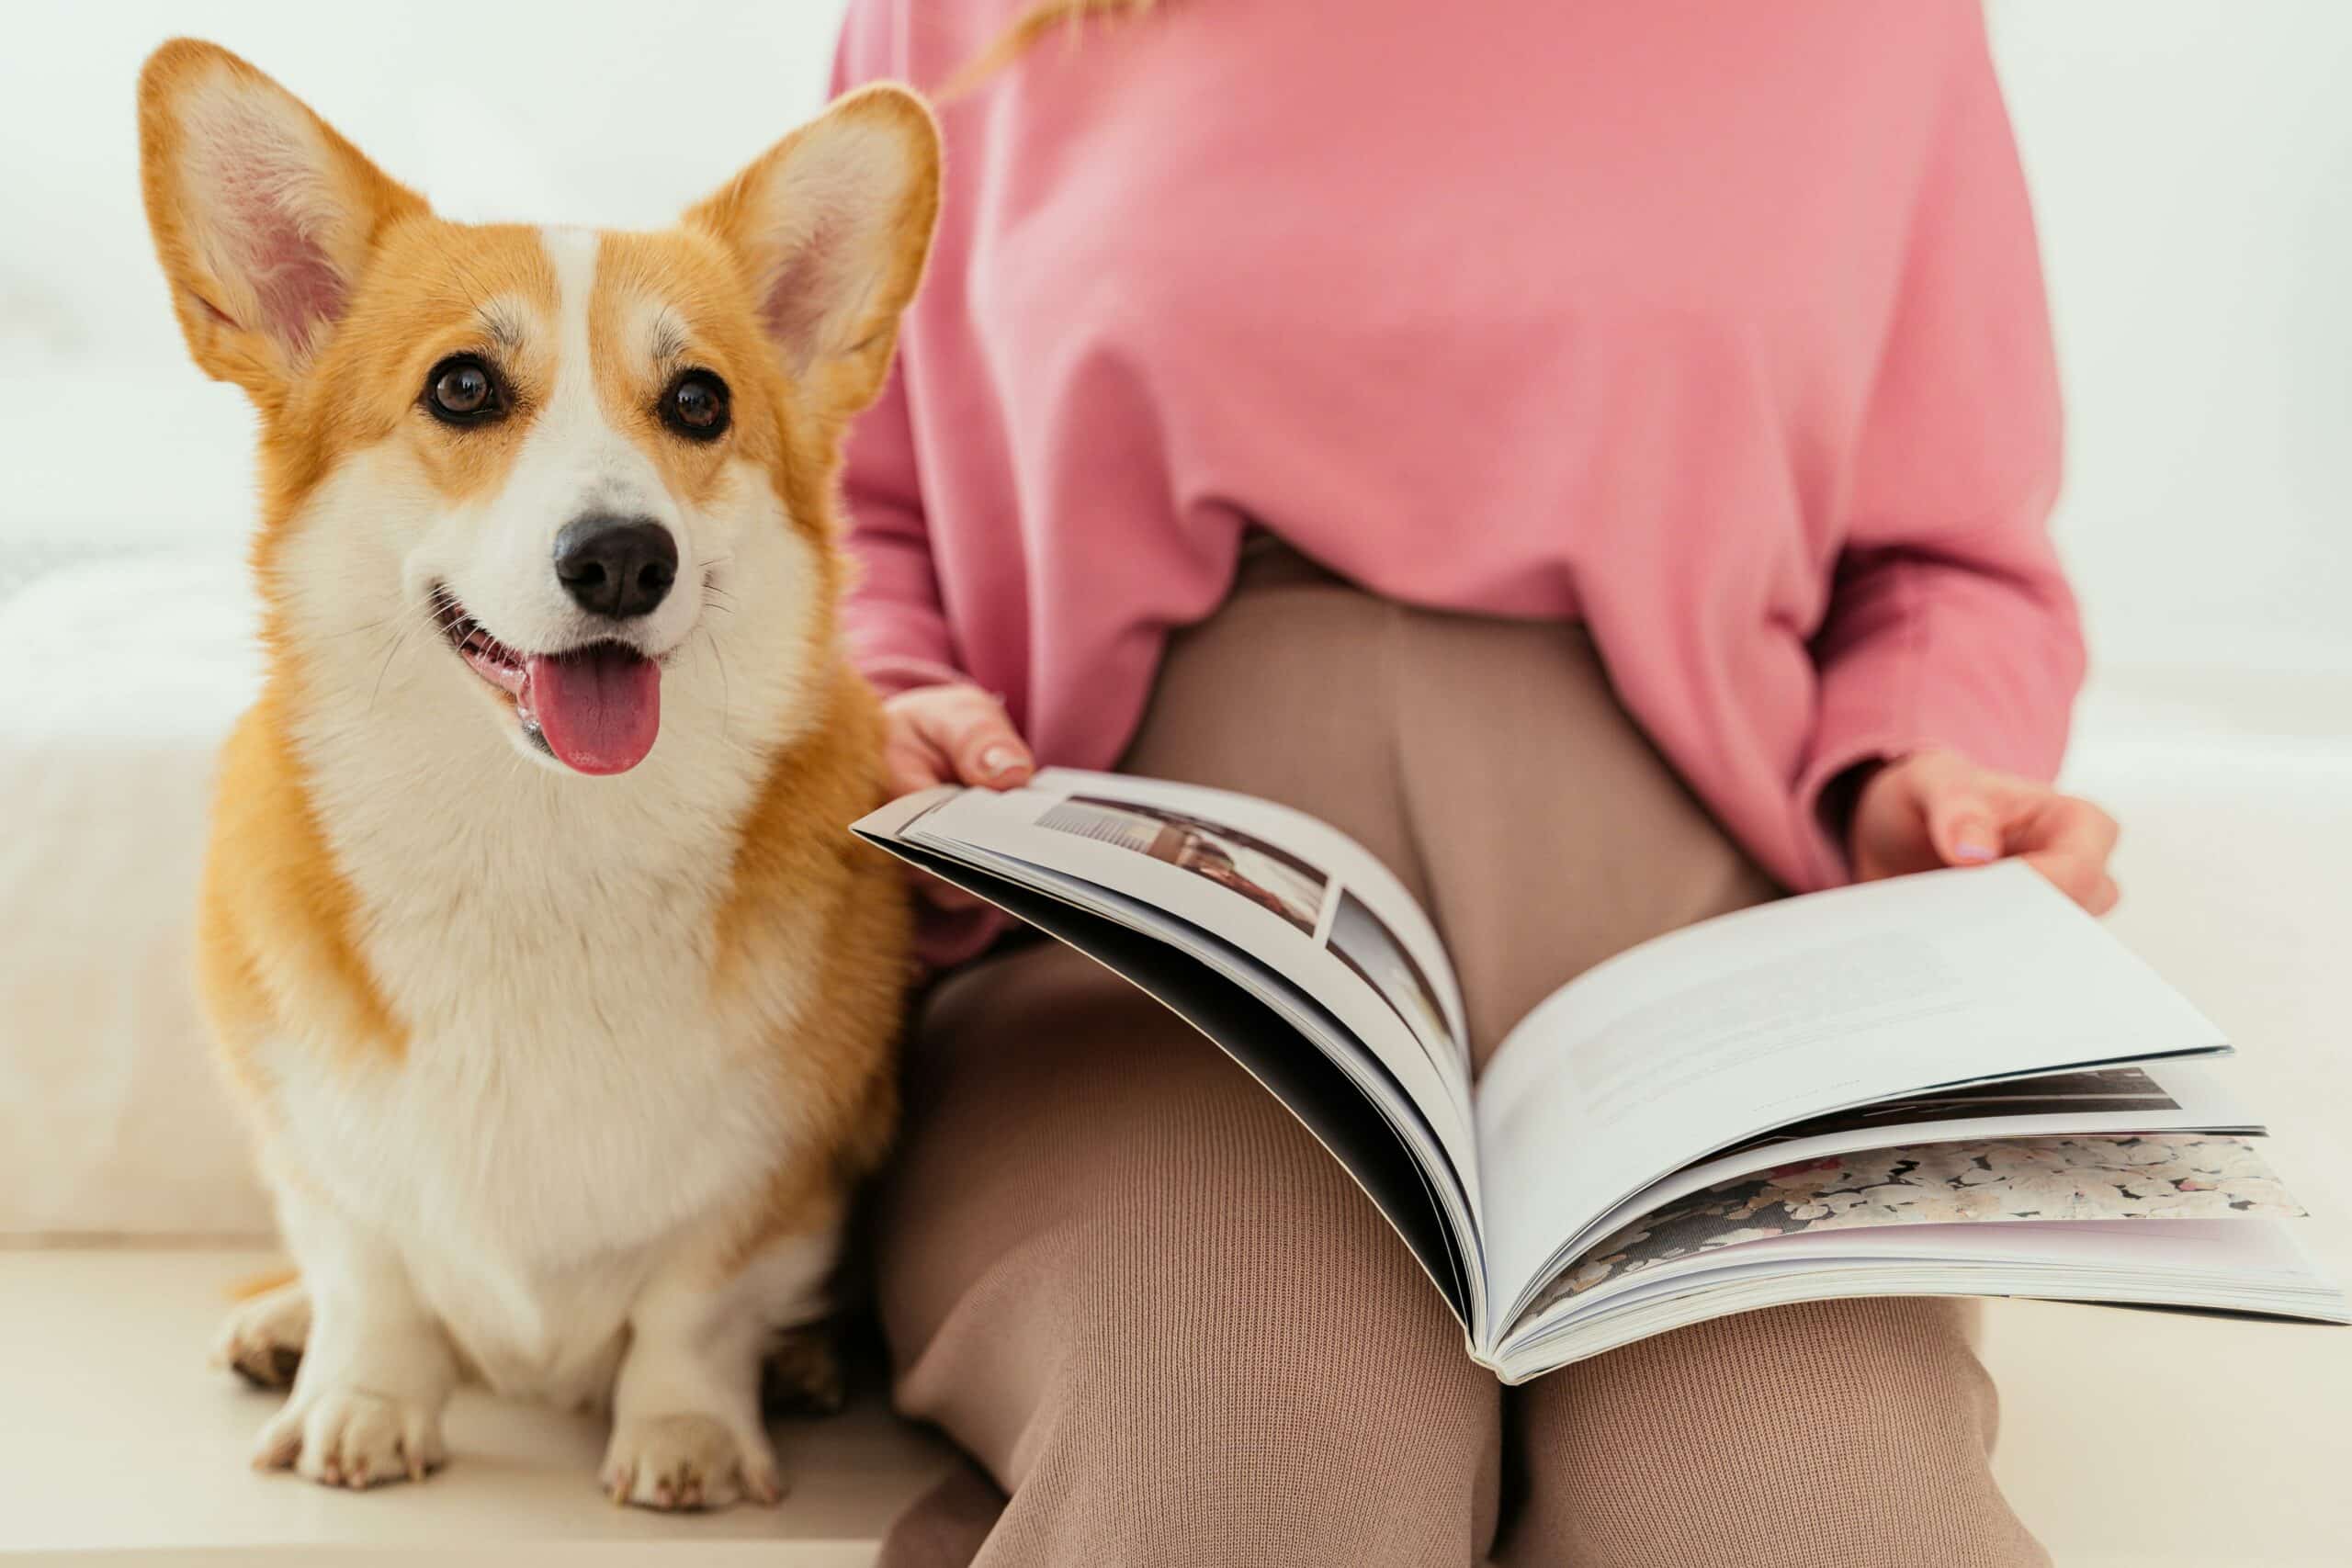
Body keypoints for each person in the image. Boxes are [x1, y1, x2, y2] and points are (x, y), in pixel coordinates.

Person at [833, 3, 2117, 1563]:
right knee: (1244, 1460)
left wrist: (1926, 777)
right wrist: (885, 710)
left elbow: (1951, 557)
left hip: (1698, 965)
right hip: (1147, 958)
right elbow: (840, 503)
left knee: (1814, 1512)